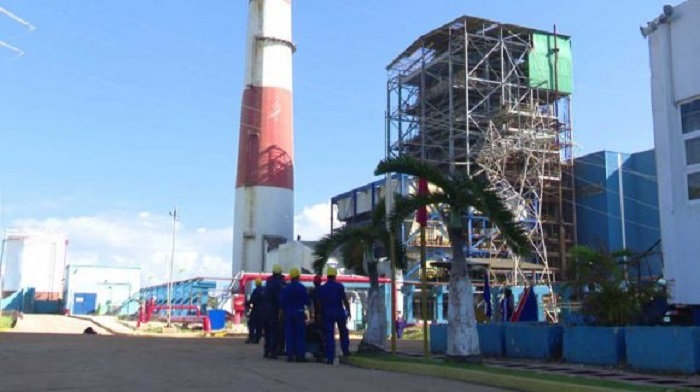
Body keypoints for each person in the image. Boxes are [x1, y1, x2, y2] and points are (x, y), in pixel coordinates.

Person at [318, 267, 351, 365]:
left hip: (327, 313)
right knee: (343, 333)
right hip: (339, 312)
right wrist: (348, 311)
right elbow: (344, 300)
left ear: (327, 276)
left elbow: (320, 303)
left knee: (329, 336)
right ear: (335, 276)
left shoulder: (322, 288)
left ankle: (330, 357)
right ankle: (345, 351)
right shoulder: (339, 286)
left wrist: (320, 314)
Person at [279, 267, 313, 362]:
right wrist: (311, 314)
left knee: (289, 334)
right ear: (298, 277)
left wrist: (281, 314)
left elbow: (282, 303)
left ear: (290, 277)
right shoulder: (302, 288)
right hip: (299, 312)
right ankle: (300, 356)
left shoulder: (286, 289)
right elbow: (307, 302)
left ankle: (290, 355)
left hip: (288, 313)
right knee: (300, 335)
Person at [263, 264, 286, 359]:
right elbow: (279, 298)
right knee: (274, 331)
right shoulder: (278, 284)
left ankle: (267, 350)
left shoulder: (268, 282)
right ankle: (273, 351)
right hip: (274, 310)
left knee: (267, 331)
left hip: (266, 310)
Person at [245, 278, 265, 344]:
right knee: (259, 325)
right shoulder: (264, 290)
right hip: (263, 311)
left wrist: (246, 303)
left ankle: (251, 338)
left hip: (256, 310)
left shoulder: (256, 291)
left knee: (252, 324)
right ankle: (257, 339)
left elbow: (252, 301)